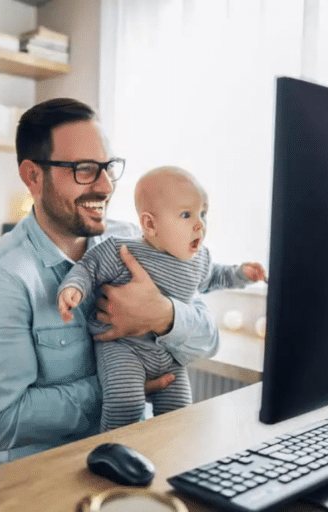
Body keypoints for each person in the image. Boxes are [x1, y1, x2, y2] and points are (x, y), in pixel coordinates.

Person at [0, 98, 221, 464]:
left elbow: (209, 340)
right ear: (33, 176)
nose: (106, 186)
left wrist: (163, 315)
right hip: (48, 478)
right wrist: (117, 387)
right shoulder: (1, 278)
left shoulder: (136, 244)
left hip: (139, 458)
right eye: (83, 169)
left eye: (108, 168)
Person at [58, 166, 267, 431]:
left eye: (203, 213)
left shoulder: (198, 259)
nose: (200, 223)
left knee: (180, 411)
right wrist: (73, 287)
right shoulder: (123, 249)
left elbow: (215, 278)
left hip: (168, 352)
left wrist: (242, 274)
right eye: (186, 214)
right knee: (127, 404)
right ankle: (114, 453)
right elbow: (89, 267)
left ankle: (171, 459)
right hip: (124, 348)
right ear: (150, 224)